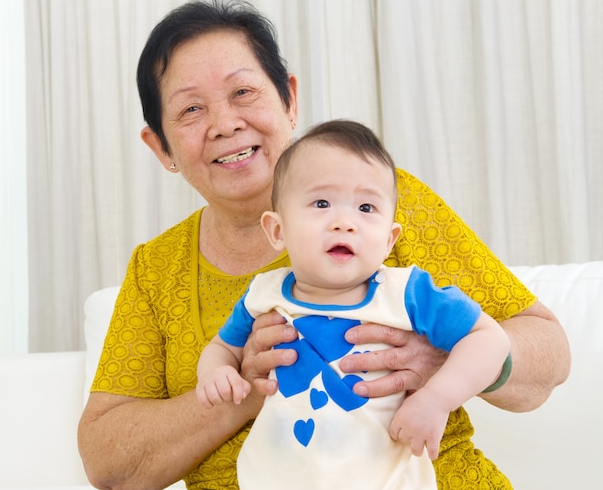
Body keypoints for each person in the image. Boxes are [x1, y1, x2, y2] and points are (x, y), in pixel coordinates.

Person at [77, 0, 570, 490]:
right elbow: (109, 465)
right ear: (160, 146)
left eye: (243, 92)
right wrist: (251, 386)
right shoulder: (156, 269)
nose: (225, 124)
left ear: (289, 100)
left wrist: (446, 366)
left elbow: (550, 353)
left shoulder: (381, 207)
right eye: (190, 109)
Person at [195, 119, 511, 490]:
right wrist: (215, 372)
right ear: (277, 230)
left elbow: (490, 338)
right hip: (274, 478)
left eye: (366, 207)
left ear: (389, 240)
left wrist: (438, 398)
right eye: (322, 202)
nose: (345, 222)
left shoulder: (407, 293)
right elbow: (221, 348)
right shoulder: (264, 294)